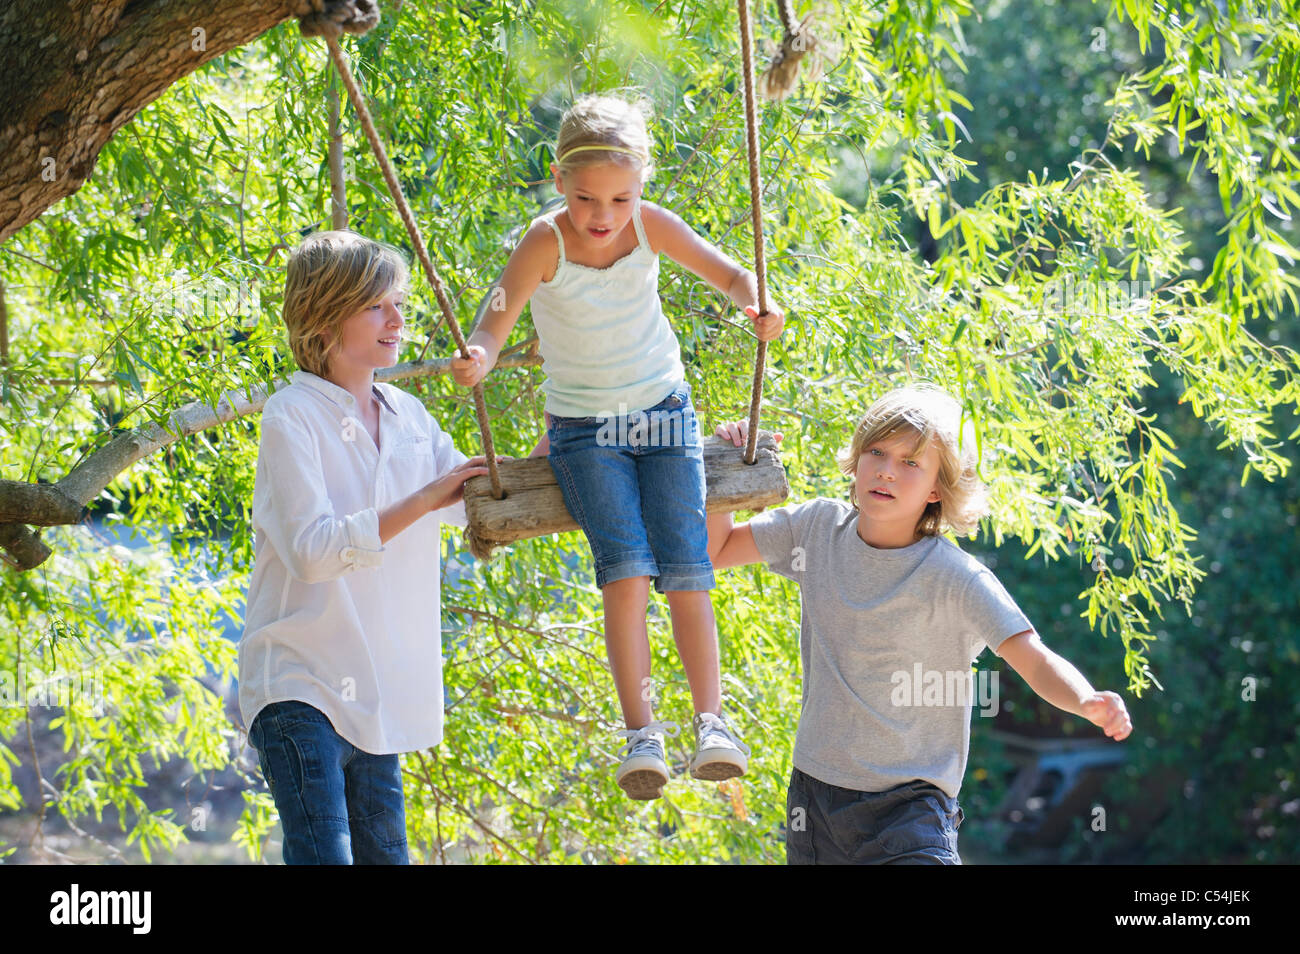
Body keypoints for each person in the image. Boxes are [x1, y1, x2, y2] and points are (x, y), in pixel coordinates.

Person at [450, 94, 785, 800]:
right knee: (627, 568)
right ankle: (642, 736)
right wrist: (480, 353)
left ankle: (712, 722)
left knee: (687, 563)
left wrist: (756, 302)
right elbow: (497, 315)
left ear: (642, 185)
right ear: (556, 179)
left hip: (663, 415)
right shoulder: (545, 241)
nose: (602, 215)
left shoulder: (649, 226)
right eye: (585, 198)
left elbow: (728, 274)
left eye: (619, 197)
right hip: (585, 431)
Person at [706, 385, 1133, 863]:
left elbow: (1032, 658)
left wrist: (1086, 700)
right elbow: (715, 551)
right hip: (816, 798)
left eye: (911, 462)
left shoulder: (957, 578)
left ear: (936, 488)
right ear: (858, 457)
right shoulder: (815, 530)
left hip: (910, 810)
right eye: (877, 451)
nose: (887, 469)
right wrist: (724, 467)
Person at [239, 230, 495, 864]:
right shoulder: (290, 415)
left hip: (375, 696)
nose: (398, 319)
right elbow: (315, 551)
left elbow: (479, 496)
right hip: (299, 686)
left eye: (398, 302)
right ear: (326, 318)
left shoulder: (410, 415)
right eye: (377, 306)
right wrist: (428, 497)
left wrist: (564, 443)